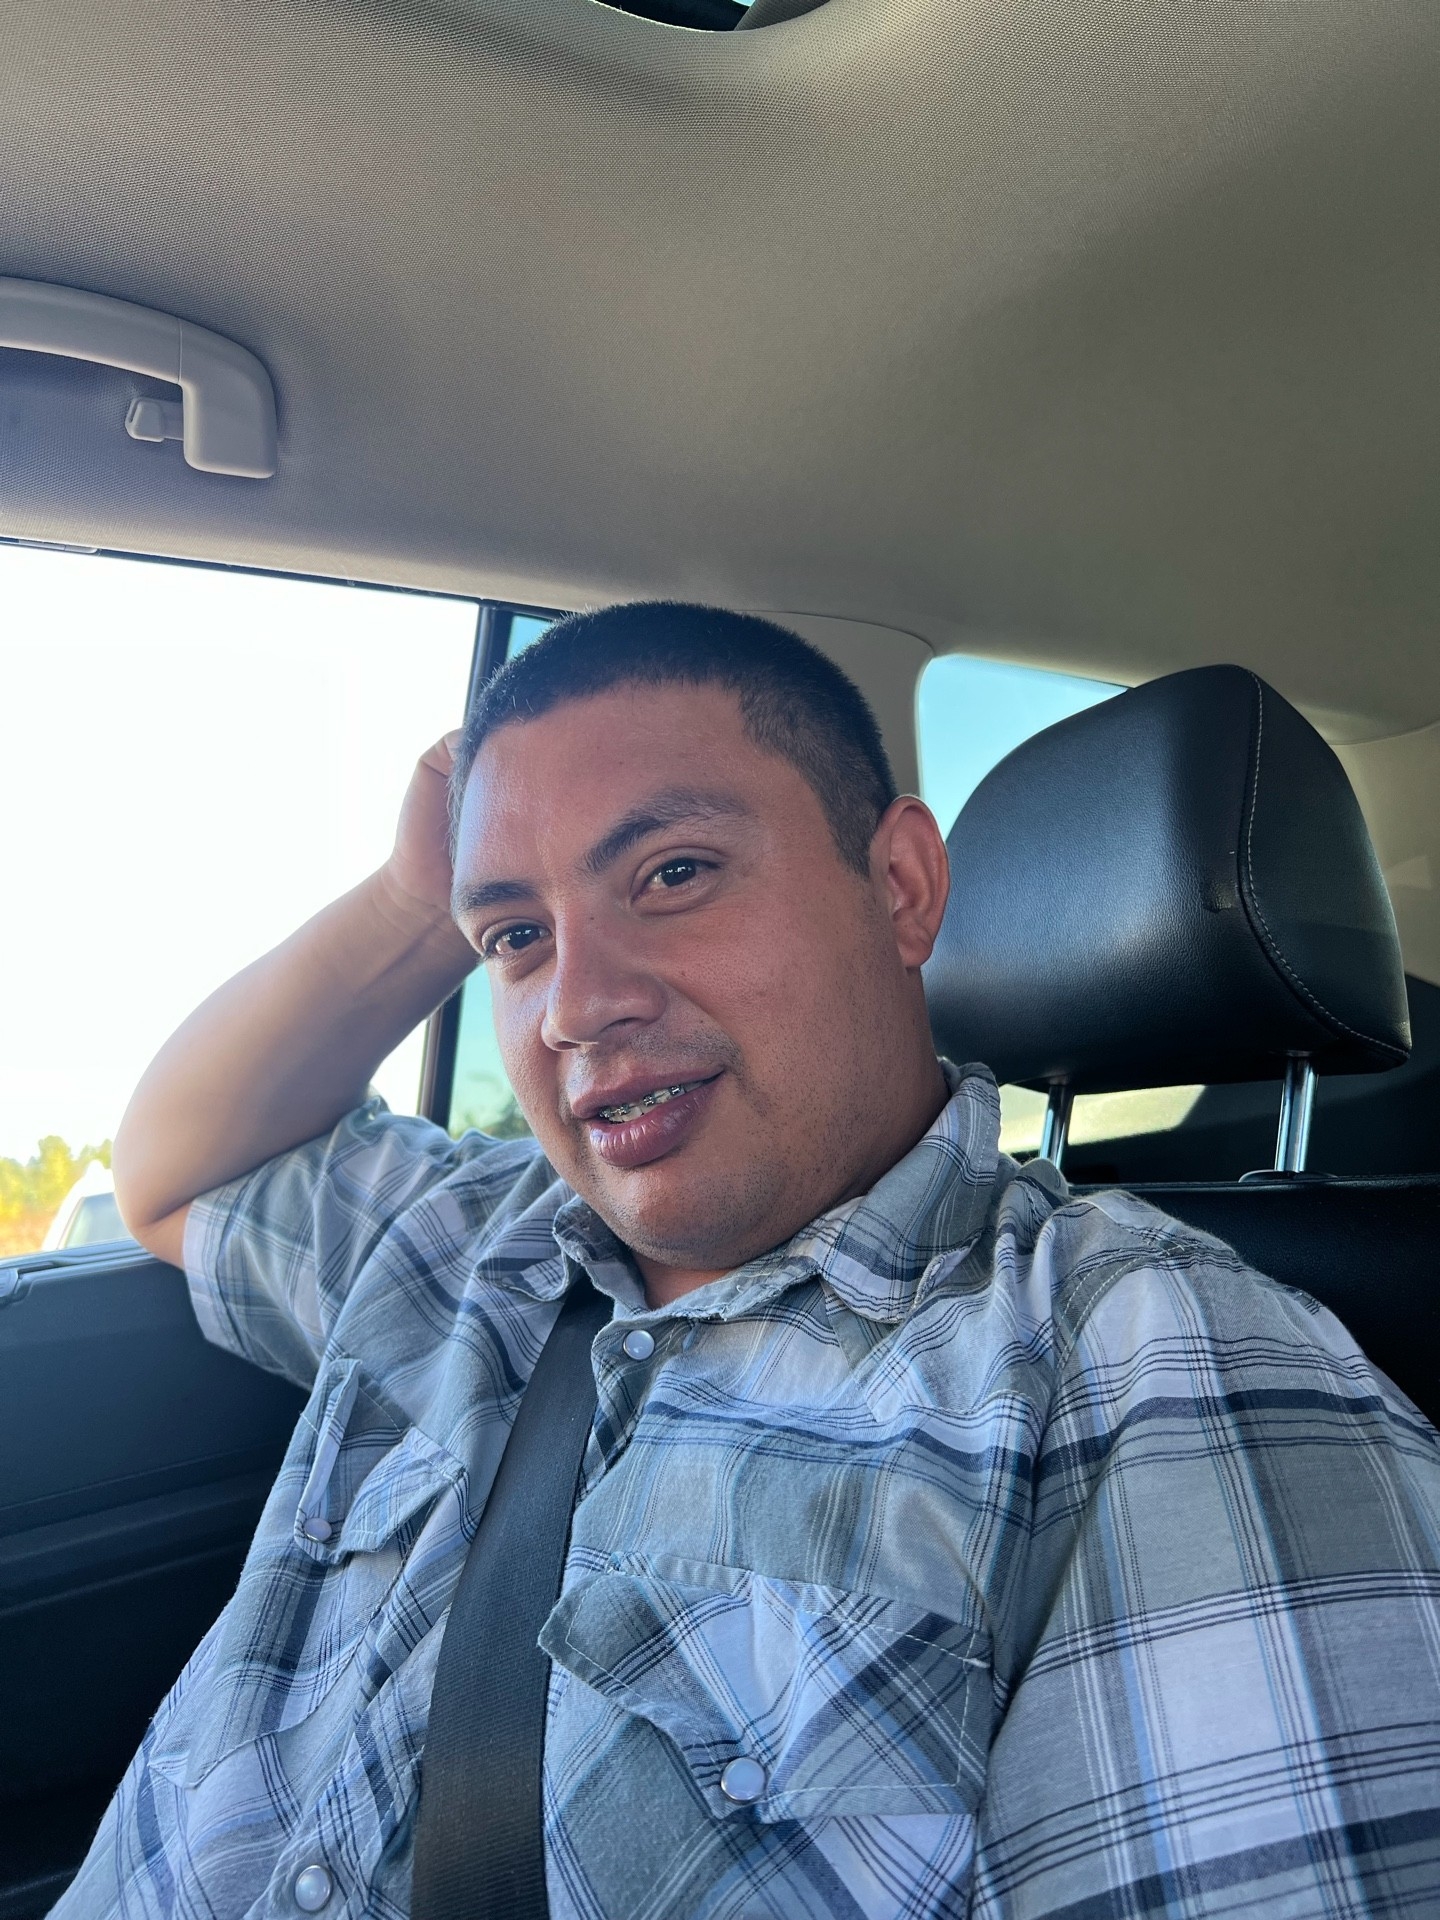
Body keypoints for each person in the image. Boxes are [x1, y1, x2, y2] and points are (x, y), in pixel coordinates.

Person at [63, 603, 1440, 1920]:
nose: (575, 1006)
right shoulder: (465, 1237)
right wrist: (414, 902)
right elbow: (178, 1172)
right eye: (517, 937)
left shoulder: (1151, 1363)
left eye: (673, 874)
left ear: (899, 887)